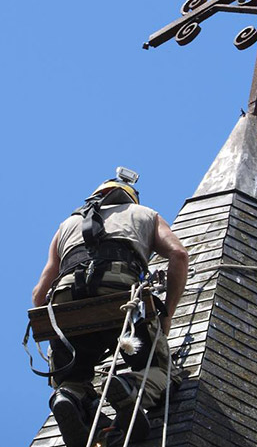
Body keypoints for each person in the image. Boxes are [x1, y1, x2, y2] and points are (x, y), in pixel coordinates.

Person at [32, 168, 188, 447]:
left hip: (66, 303)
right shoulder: (145, 215)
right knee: (161, 367)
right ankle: (130, 386)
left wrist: (56, 331)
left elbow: (38, 294)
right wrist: (168, 316)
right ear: (130, 199)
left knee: (73, 370)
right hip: (120, 297)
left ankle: (69, 394)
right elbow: (178, 254)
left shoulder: (66, 225)